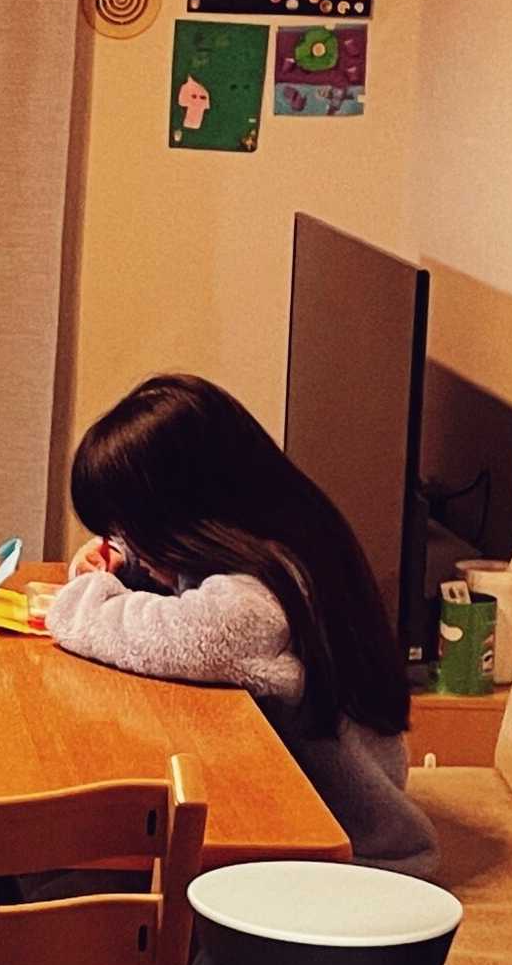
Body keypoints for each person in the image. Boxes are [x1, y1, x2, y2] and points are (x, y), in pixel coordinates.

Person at [39, 372, 438, 874]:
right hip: (295, 814)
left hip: (341, 852)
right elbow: (184, 591)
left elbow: (197, 637)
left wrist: (82, 600)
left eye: (133, 530)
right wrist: (122, 564)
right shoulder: (278, 534)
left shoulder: (264, 593)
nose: (125, 544)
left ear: (182, 515)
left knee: (65, 862)